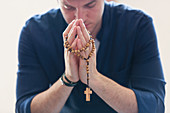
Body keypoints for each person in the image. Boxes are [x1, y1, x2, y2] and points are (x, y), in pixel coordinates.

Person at [15, 0, 166, 113]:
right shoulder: (34, 32)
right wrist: (68, 79)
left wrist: (93, 78)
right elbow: (24, 108)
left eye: (90, 5)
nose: (79, 18)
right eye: (68, 7)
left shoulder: (137, 25)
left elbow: (155, 106)